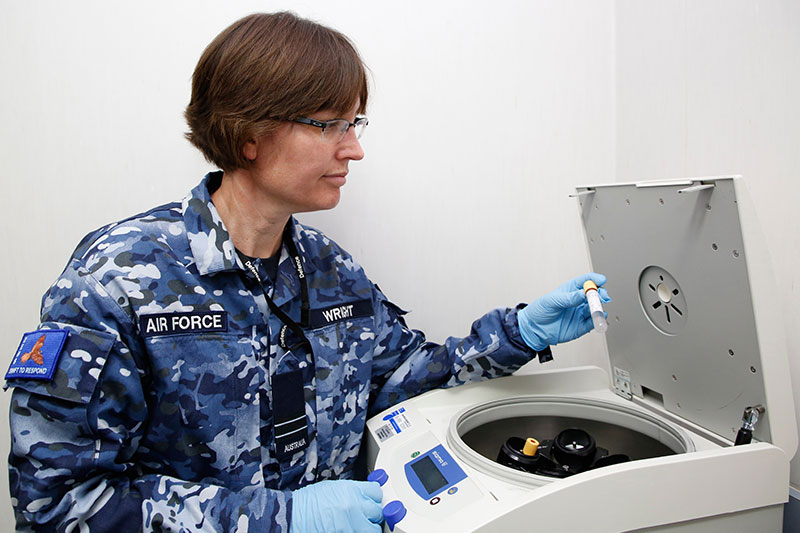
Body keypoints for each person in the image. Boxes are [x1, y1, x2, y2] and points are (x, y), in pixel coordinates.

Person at [6, 12, 608, 533]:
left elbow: (395, 381)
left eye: (356, 124)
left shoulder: (328, 267)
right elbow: (61, 505)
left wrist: (521, 332)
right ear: (250, 133)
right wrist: (284, 520)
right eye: (331, 125)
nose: (354, 149)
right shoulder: (118, 278)